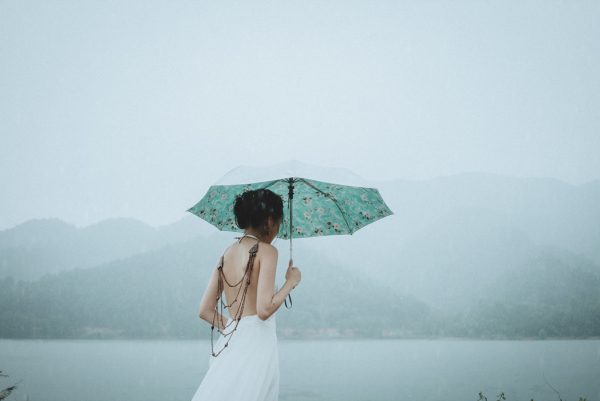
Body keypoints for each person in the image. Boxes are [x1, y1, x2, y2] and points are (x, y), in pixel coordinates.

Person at [191, 188, 301, 401]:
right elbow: (264, 310)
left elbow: (204, 311)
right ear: (269, 220)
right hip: (258, 346)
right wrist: (291, 282)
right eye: (279, 222)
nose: (278, 229)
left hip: (230, 343)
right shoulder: (268, 251)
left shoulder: (227, 252)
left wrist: (235, 328)